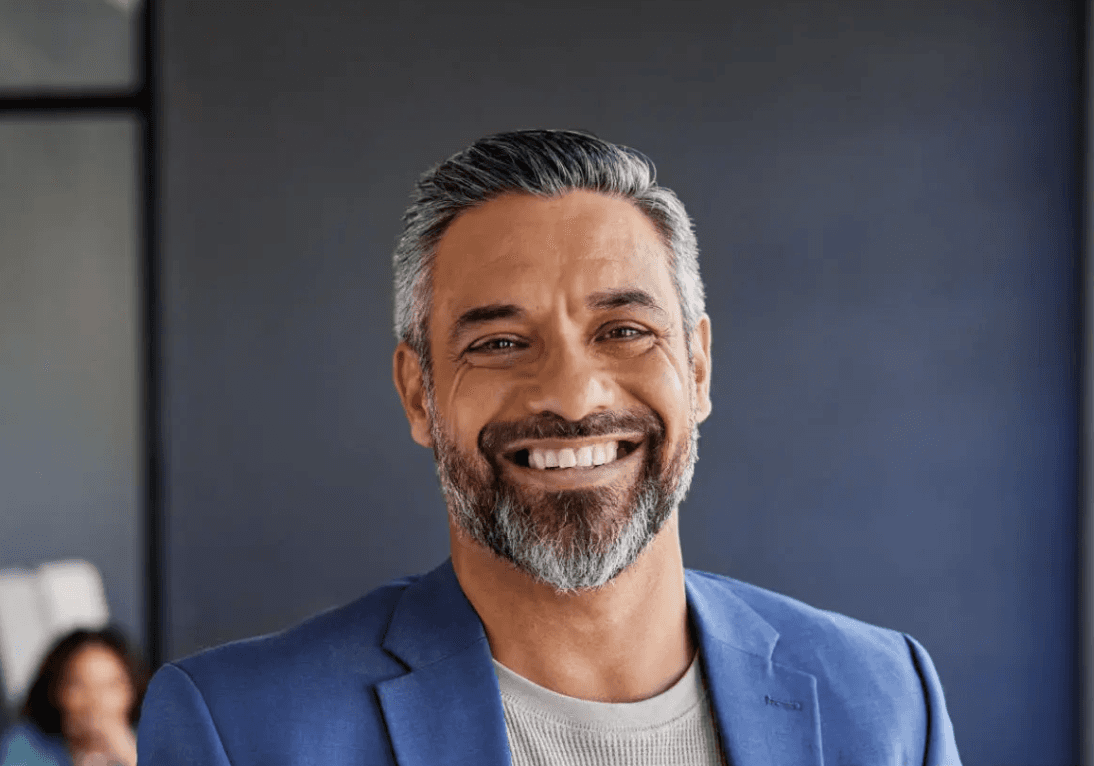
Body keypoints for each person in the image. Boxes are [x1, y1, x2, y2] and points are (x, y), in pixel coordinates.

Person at [138, 129, 962, 765]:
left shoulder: (886, 698)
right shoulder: (242, 732)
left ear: (699, 367)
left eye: (624, 331)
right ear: (419, 392)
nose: (572, 395)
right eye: (498, 343)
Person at [1, 627, 147, 766]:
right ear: (56, 692)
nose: (95, 701)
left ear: (133, 692)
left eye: (110, 686)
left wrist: (131, 756)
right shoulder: (23, 747)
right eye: (79, 685)